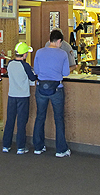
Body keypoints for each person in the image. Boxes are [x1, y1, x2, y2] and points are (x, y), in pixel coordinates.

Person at [33, 29, 71, 158]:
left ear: (49, 40)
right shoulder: (63, 54)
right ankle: (60, 149)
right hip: (57, 89)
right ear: (59, 41)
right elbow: (66, 73)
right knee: (58, 119)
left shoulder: (39, 52)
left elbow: (36, 70)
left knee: (40, 117)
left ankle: (38, 147)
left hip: (41, 88)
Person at [2, 42, 37, 155]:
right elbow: (32, 77)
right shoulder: (25, 66)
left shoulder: (10, 64)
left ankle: (6, 145)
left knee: (10, 121)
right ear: (25, 54)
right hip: (23, 97)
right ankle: (20, 147)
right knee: (21, 122)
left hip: (12, 96)